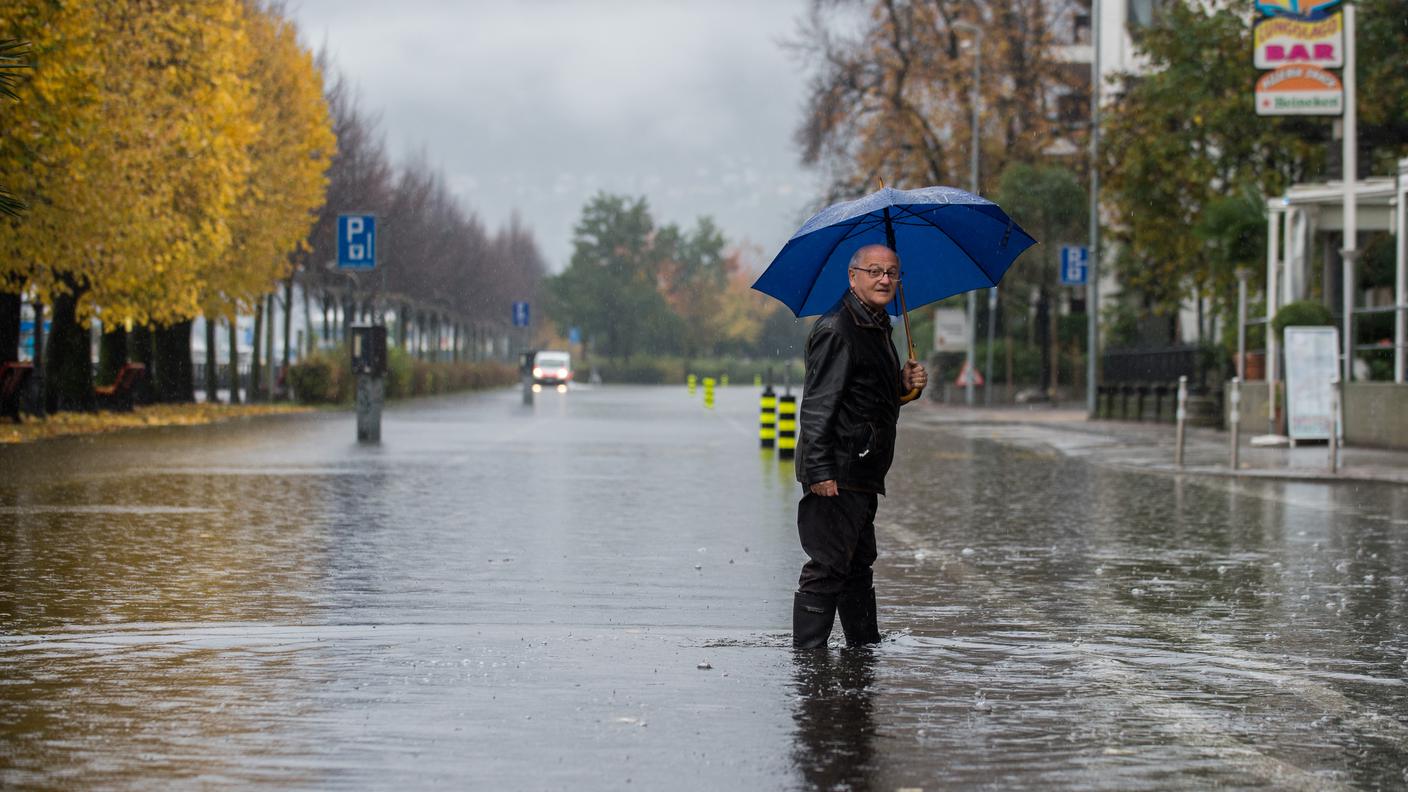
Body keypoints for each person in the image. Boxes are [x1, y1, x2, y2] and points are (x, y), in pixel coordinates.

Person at [793, 244, 927, 649]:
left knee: (856, 565)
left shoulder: (876, 325)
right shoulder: (839, 328)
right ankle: (808, 660)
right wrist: (820, 470)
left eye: (891, 272)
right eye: (874, 271)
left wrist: (904, 387)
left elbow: (865, 397)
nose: (885, 279)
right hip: (838, 470)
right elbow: (818, 407)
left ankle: (863, 649)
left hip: (863, 469)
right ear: (853, 277)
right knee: (829, 566)